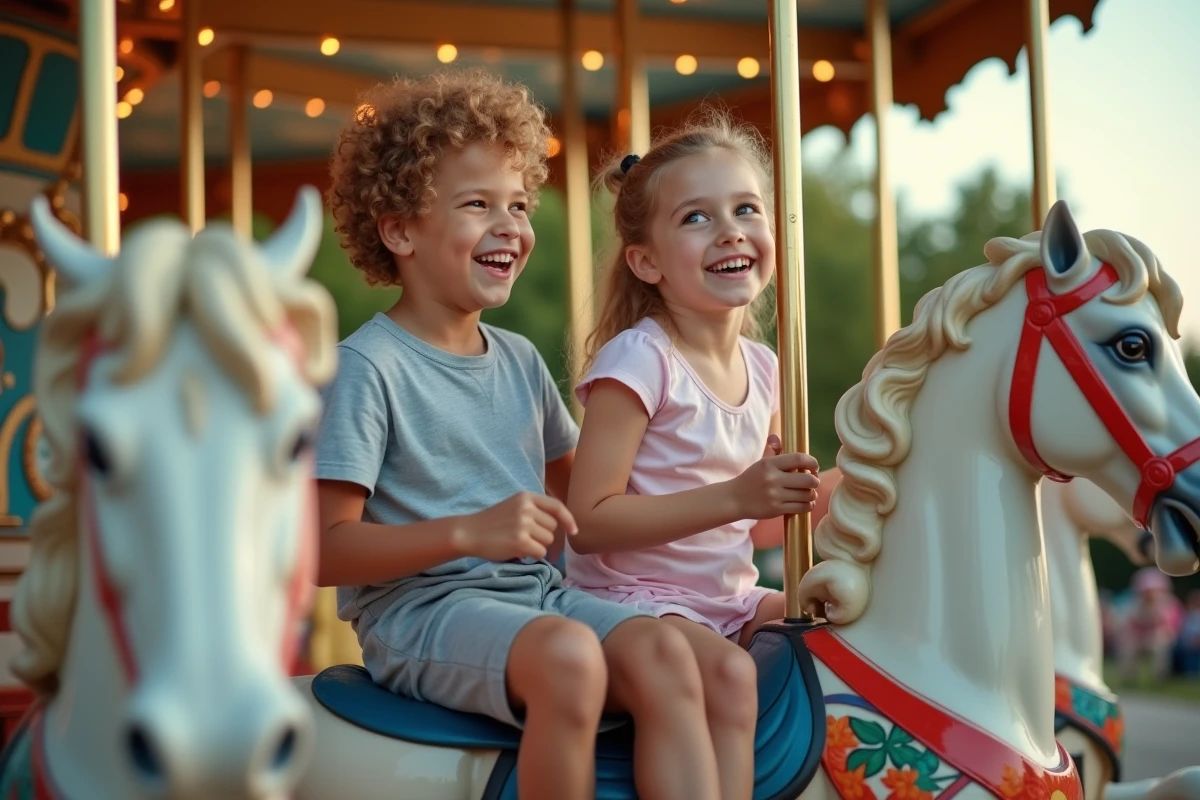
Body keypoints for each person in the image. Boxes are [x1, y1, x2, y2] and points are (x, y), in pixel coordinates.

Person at [316, 69, 720, 800]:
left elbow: (591, 505)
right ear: (400, 229)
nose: (511, 227)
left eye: (520, 204)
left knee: (670, 652)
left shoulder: (520, 361)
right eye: (478, 205)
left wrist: (721, 478)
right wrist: (467, 533)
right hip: (421, 613)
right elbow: (323, 549)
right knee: (569, 658)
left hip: (534, 595)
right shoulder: (366, 368)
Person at [564, 109, 840, 800]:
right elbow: (590, 516)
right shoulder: (640, 360)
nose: (729, 230)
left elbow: (755, 527)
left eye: (746, 208)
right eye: (696, 218)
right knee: (728, 674)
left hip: (727, 599)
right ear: (646, 260)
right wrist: (737, 496)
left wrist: (851, 485)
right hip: (628, 602)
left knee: (850, 624)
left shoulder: (767, 369)